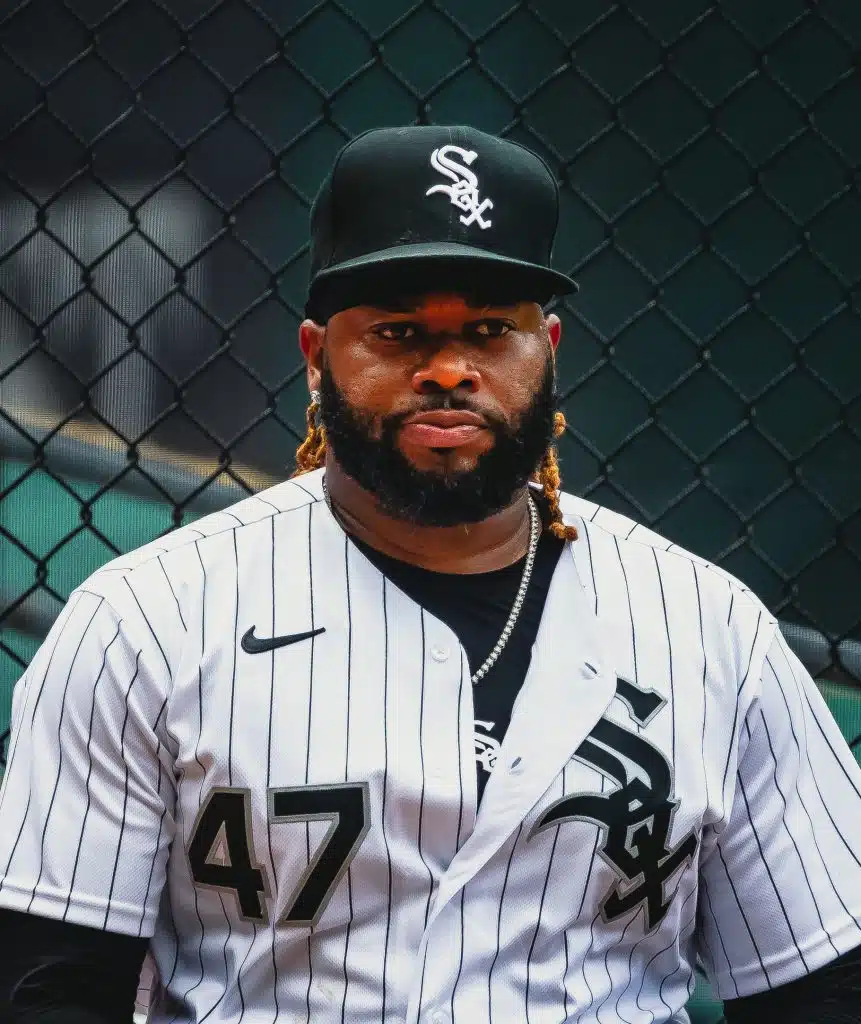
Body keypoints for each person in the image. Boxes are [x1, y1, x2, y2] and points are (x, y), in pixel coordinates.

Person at [0, 124, 859, 1024]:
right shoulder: (147, 618)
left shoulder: (711, 629)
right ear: (316, 356)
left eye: (490, 331)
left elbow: (823, 985)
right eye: (398, 332)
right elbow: (49, 982)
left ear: (548, 349)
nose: (449, 370)